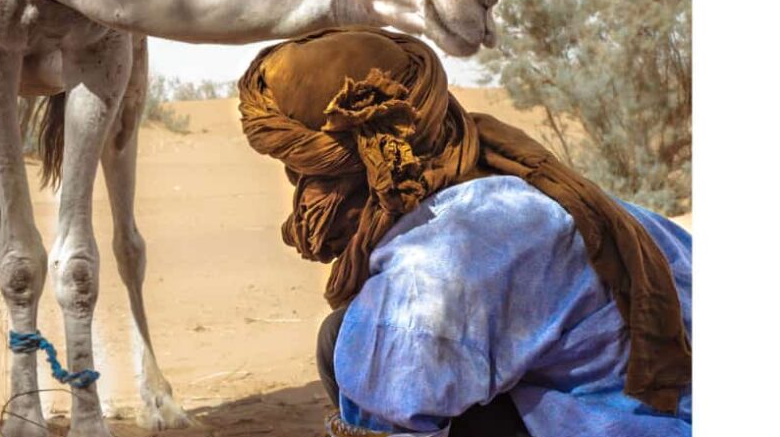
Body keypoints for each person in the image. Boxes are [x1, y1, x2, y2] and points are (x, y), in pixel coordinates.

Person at [236, 27, 692, 437]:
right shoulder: (524, 184)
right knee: (350, 335)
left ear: (347, 170)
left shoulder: (431, 271)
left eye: (300, 171)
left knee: (350, 346)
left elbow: (388, 411)